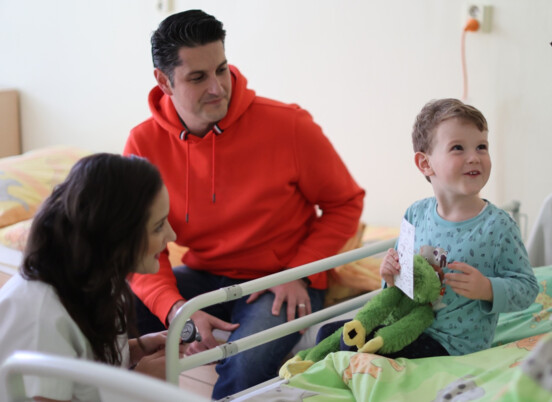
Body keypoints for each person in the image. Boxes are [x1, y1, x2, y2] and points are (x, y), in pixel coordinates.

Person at [123, 9, 365, 398]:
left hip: (278, 279)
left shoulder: (288, 125)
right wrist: (176, 310)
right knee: (110, 308)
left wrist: (298, 273)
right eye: (197, 77)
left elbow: (346, 203)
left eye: (221, 69)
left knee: (245, 365)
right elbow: (140, 248)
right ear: (164, 82)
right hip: (204, 276)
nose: (217, 87)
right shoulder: (143, 143)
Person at [319, 98, 539, 358]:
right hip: (404, 324)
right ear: (425, 164)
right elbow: (403, 282)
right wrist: (389, 276)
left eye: (481, 147)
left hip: (452, 344)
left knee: (351, 350)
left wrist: (487, 288)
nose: (474, 157)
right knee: (327, 334)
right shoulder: (416, 214)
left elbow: (527, 289)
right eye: (458, 148)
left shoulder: (498, 226)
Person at [0, 154, 178, 401]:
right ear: (115, 233)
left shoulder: (98, 279)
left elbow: (79, 364)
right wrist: (139, 384)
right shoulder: (41, 314)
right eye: (158, 226)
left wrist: (136, 349)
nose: (172, 235)